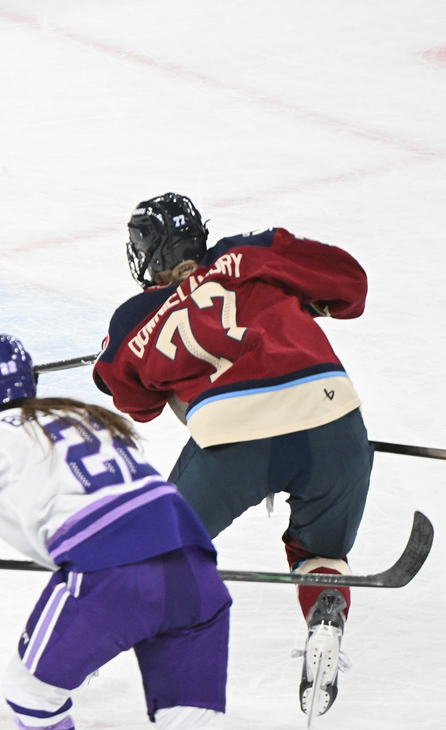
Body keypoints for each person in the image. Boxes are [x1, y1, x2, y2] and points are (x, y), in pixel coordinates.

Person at [92, 192, 372, 718]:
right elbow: (350, 286)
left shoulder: (136, 315)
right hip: (334, 421)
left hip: (236, 443)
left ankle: (83, 647)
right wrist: (304, 299)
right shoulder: (253, 251)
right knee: (320, 553)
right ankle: (325, 616)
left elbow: (133, 399)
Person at [0, 334, 231, 730]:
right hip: (193, 564)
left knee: (32, 694)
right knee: (189, 717)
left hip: (110, 571)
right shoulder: (87, 417)